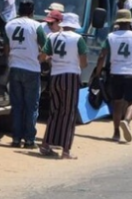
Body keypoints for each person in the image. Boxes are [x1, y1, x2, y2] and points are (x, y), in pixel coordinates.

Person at [39, 13, 88, 159]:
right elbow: (84, 62)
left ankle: (46, 144)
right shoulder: (78, 39)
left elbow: (43, 56)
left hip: (55, 76)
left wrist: (52, 60)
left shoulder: (52, 37)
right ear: (74, 25)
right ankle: (66, 150)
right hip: (70, 77)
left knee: (54, 111)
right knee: (68, 113)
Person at [94, 9, 132, 143]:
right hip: (131, 73)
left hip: (115, 74)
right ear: (129, 23)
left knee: (117, 103)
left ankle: (116, 133)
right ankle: (127, 121)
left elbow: (101, 56)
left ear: (118, 22)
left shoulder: (111, 37)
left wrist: (98, 72)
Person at [3, 0, 49, 149]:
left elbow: (6, 48)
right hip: (32, 70)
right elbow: (47, 48)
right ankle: (29, 140)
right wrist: (41, 60)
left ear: (19, 10)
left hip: (15, 68)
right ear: (32, 12)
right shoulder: (36, 26)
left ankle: (16, 138)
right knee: (31, 107)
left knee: (17, 106)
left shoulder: (9, 25)